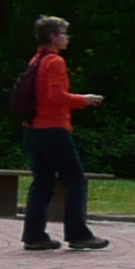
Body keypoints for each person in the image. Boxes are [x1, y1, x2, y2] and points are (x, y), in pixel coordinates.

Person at [21, 15, 108, 252]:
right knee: (75, 180)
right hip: (54, 128)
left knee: (43, 182)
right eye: (64, 33)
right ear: (53, 37)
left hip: (33, 129)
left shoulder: (36, 60)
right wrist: (84, 100)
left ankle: (33, 235)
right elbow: (56, 96)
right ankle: (78, 234)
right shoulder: (55, 62)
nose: (67, 38)